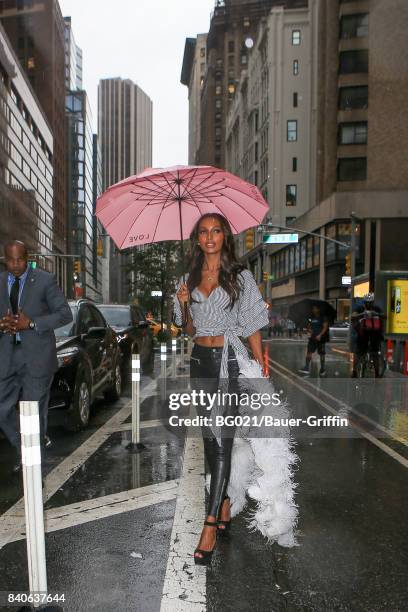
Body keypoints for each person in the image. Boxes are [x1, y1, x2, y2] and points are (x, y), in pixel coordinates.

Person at [174, 213, 269, 565]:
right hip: (200, 362)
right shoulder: (187, 280)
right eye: (203, 232)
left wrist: (259, 368)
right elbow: (186, 329)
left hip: (229, 361)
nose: (210, 237)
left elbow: (253, 325)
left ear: (224, 236)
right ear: (197, 239)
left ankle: (210, 523)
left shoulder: (240, 277)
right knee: (210, 441)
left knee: (222, 442)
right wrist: (185, 303)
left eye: (216, 231)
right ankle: (225, 501)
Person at [0, 240, 72, 473]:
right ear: (5, 259)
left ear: (27, 256)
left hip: (37, 357)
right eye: (10, 260)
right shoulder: (0, 282)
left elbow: (64, 314)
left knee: (33, 411)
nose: (15, 264)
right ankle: (26, 448)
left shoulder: (44, 280)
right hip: (6, 357)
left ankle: (34, 464)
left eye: (20, 259)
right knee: (2, 409)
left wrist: (30, 323)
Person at [351, 293, 386, 377]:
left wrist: (376, 314)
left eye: (370, 302)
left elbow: (385, 315)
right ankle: (354, 371)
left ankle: (377, 373)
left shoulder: (376, 309)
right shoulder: (360, 308)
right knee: (359, 353)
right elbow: (353, 316)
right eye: (367, 302)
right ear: (364, 302)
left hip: (374, 334)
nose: (369, 304)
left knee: (374, 354)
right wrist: (363, 314)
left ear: (373, 302)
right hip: (363, 333)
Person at [298, 304, 329, 376]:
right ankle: (306, 367)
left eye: (315, 308)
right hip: (312, 338)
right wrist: (309, 330)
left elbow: (325, 327)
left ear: (318, 309)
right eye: (313, 309)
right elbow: (309, 326)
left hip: (321, 339)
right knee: (309, 352)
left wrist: (320, 335)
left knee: (321, 353)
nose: (314, 310)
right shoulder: (312, 317)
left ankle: (322, 369)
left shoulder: (323, 317)